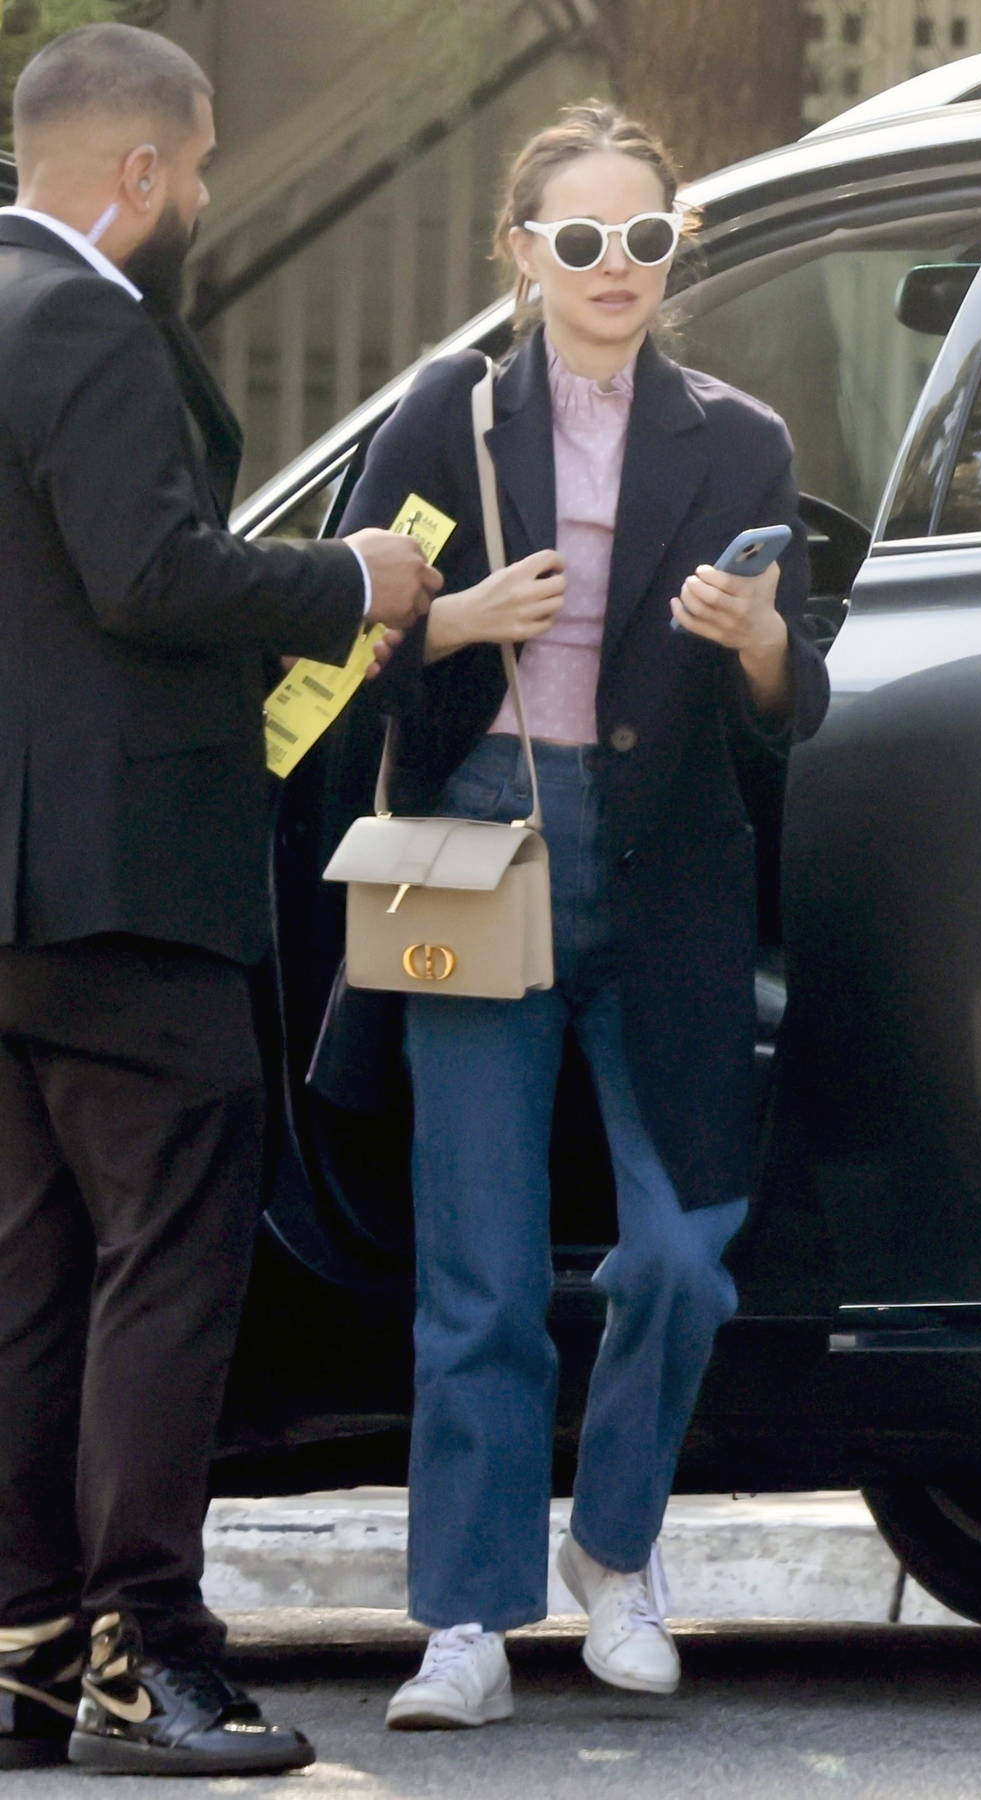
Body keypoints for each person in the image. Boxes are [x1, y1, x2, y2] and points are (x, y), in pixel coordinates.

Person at [317, 101, 830, 1729]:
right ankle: (465, 1619)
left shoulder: (740, 441)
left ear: (680, 252)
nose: (619, 269)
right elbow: (343, 659)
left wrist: (752, 635)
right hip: (479, 845)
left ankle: (615, 1551)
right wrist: (459, 615)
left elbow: (787, 708)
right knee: (477, 1264)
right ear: (522, 254)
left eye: (649, 239)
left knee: (682, 1255)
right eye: (584, 240)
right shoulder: (440, 419)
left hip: (666, 871)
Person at [0, 22, 441, 1778]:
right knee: (171, 1270)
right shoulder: (91, 324)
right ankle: (148, 1655)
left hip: (14, 906)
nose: (196, 202)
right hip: (132, 891)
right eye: (191, 174)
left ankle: (26, 1647)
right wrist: (356, 573)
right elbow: (153, 573)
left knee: (32, 1278)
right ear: (139, 174)